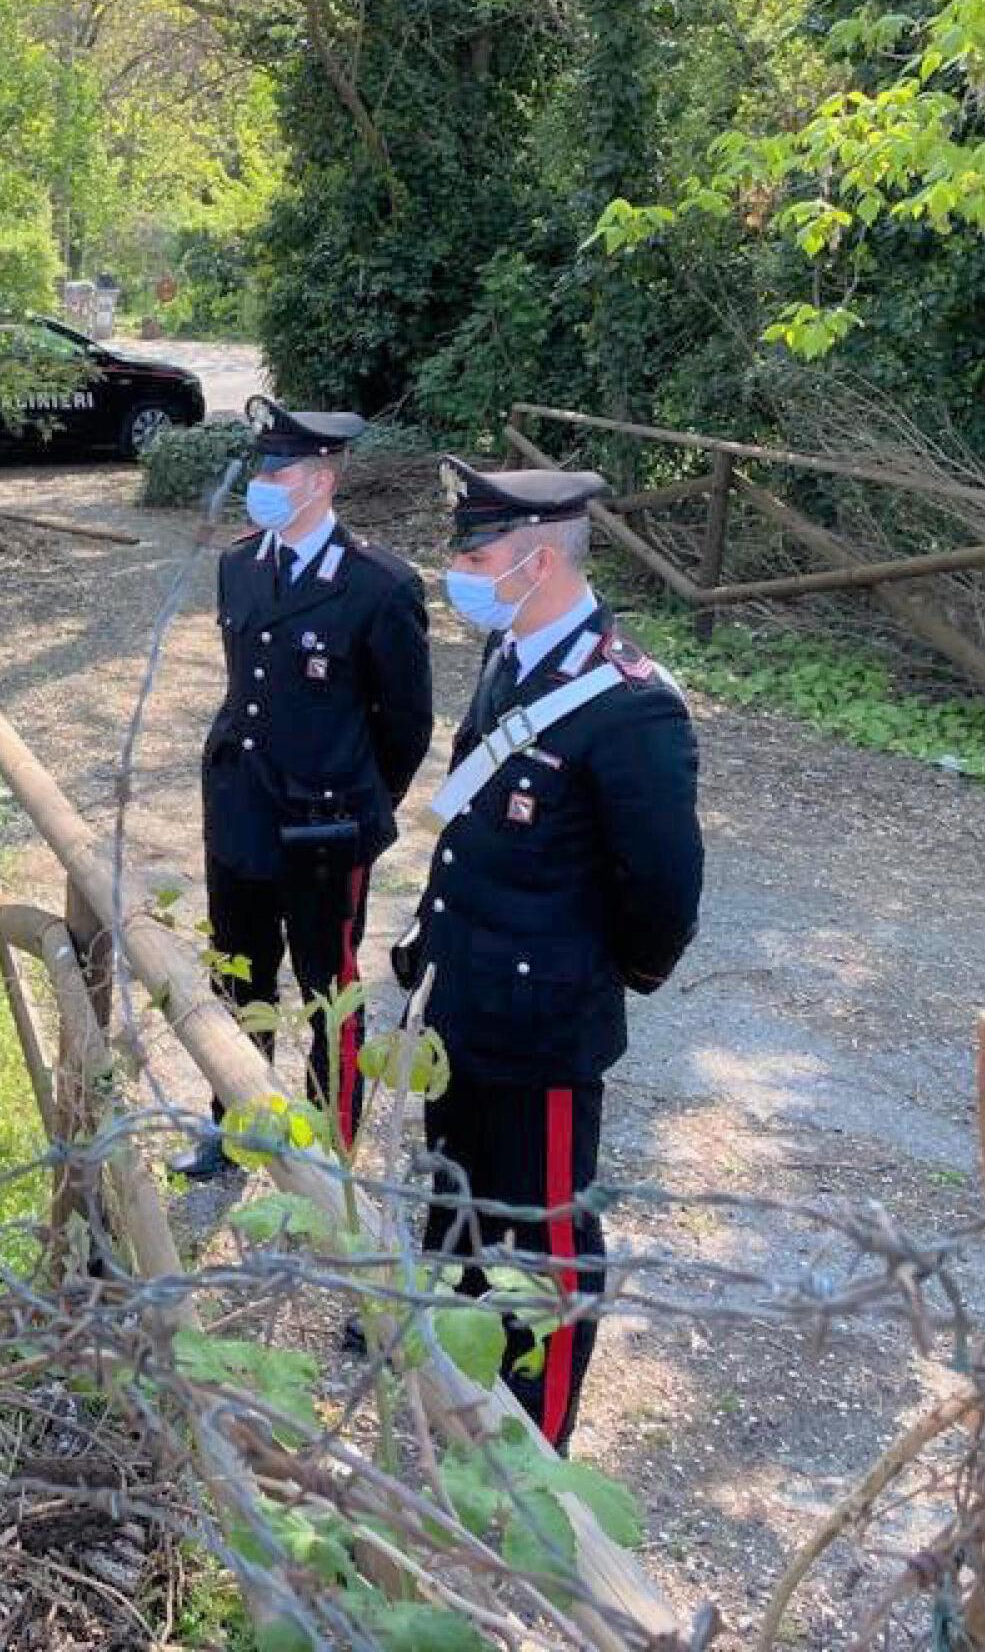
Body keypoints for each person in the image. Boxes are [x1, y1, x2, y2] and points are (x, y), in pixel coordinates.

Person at [393, 457, 704, 1451]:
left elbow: (662, 892)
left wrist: (593, 981)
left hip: (541, 1025)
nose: (461, 572)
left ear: (534, 559)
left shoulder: (629, 704)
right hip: (464, 1001)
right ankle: (458, 1371)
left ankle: (538, 1438)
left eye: (476, 554)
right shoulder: (511, 653)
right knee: (458, 1191)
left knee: (551, 1237)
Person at [178, 398, 433, 1181]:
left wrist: (358, 803)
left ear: (321, 480)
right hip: (241, 811)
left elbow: (406, 727)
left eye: (277, 470)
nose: (262, 482)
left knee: (331, 987)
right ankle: (238, 1118)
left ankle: (333, 1148)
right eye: (259, 468)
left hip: (324, 829)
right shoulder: (240, 563)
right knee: (237, 971)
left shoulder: (379, 585)